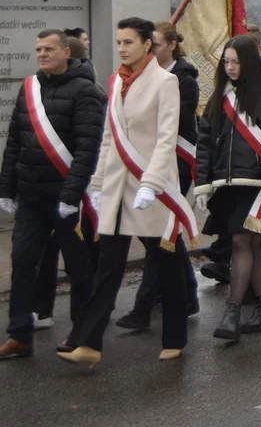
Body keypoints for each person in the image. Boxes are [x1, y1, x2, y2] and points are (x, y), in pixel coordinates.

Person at [58, 18, 197, 366]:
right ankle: (87, 342)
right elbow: (109, 138)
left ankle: (176, 337)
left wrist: (150, 185)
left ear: (147, 45)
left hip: (153, 188)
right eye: (119, 42)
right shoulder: (116, 80)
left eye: (129, 42)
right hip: (119, 188)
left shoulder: (166, 83)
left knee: (166, 261)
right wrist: (97, 184)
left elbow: (167, 139)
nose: (121, 48)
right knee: (108, 266)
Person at [0, 30, 103, 360]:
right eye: (38, 49)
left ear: (66, 52)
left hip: (66, 196)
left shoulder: (86, 91)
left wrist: (71, 194)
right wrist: (6, 189)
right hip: (31, 195)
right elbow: (14, 140)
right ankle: (19, 334)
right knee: (23, 260)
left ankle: (82, 334)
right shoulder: (29, 88)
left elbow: (88, 149)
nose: (41, 54)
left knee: (78, 266)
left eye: (48, 49)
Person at [195, 35, 261, 343]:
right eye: (226, 61)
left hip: (260, 187)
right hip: (228, 185)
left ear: (248, 61)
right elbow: (205, 143)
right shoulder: (219, 97)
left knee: (239, 242)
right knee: (252, 246)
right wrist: (203, 184)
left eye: (236, 61)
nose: (230, 67)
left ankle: (233, 311)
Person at [113, 22, 200, 332]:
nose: (154, 48)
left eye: (159, 43)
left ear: (172, 45)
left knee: (160, 233)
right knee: (162, 240)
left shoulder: (184, 80)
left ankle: (143, 307)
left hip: (174, 164)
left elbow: (170, 123)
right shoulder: (138, 78)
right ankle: (187, 295)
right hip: (142, 165)